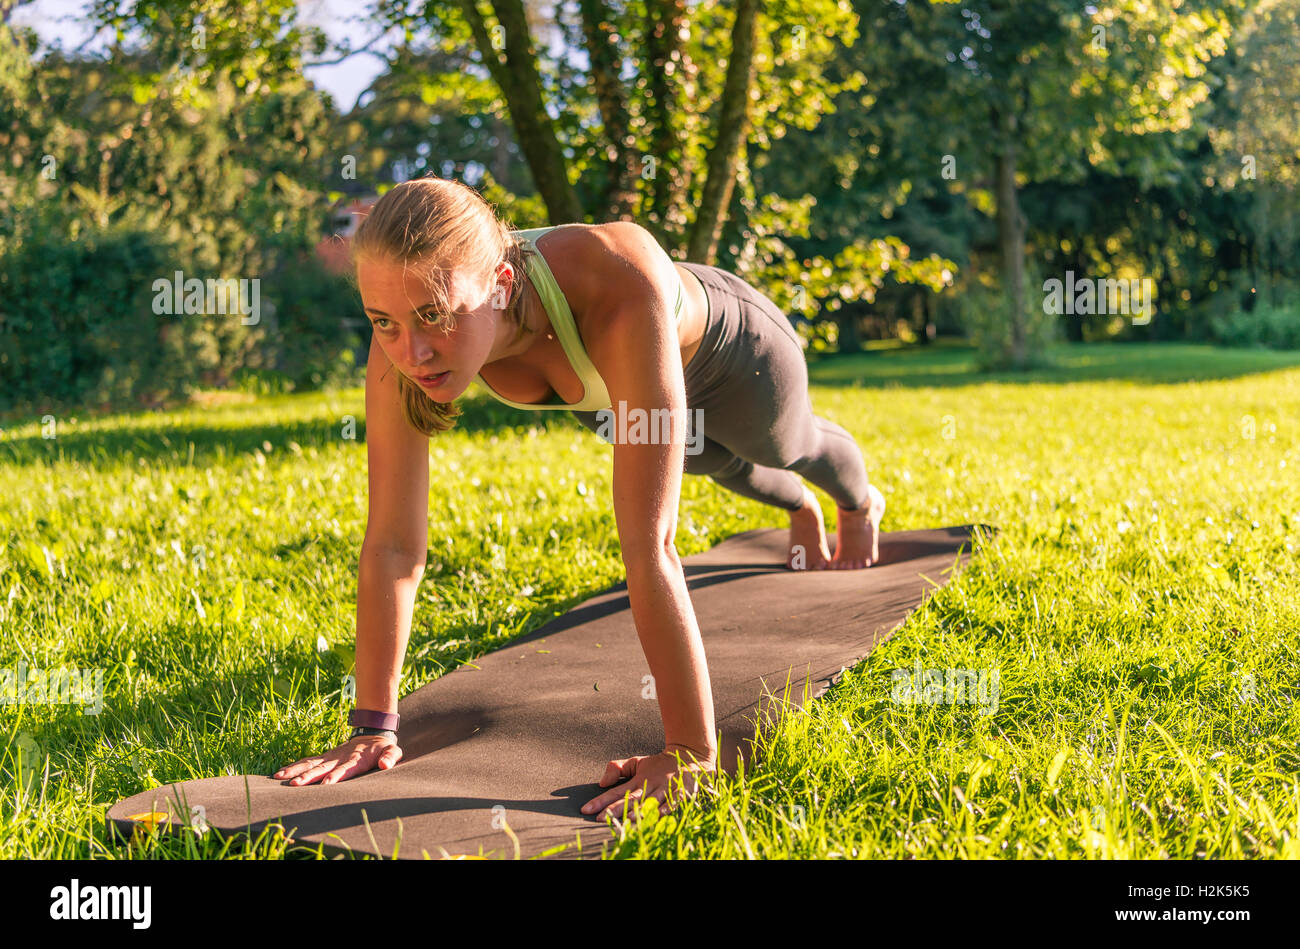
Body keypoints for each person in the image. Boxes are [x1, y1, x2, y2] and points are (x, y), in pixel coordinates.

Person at [272, 176, 886, 820]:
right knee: (723, 469)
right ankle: (798, 508)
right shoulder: (401, 322)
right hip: (607, 389)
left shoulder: (617, 280)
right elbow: (394, 541)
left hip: (735, 356)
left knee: (788, 448)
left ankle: (855, 502)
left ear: (502, 287)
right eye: (385, 323)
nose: (411, 350)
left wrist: (690, 753)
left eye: (436, 314)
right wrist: (373, 724)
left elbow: (652, 548)